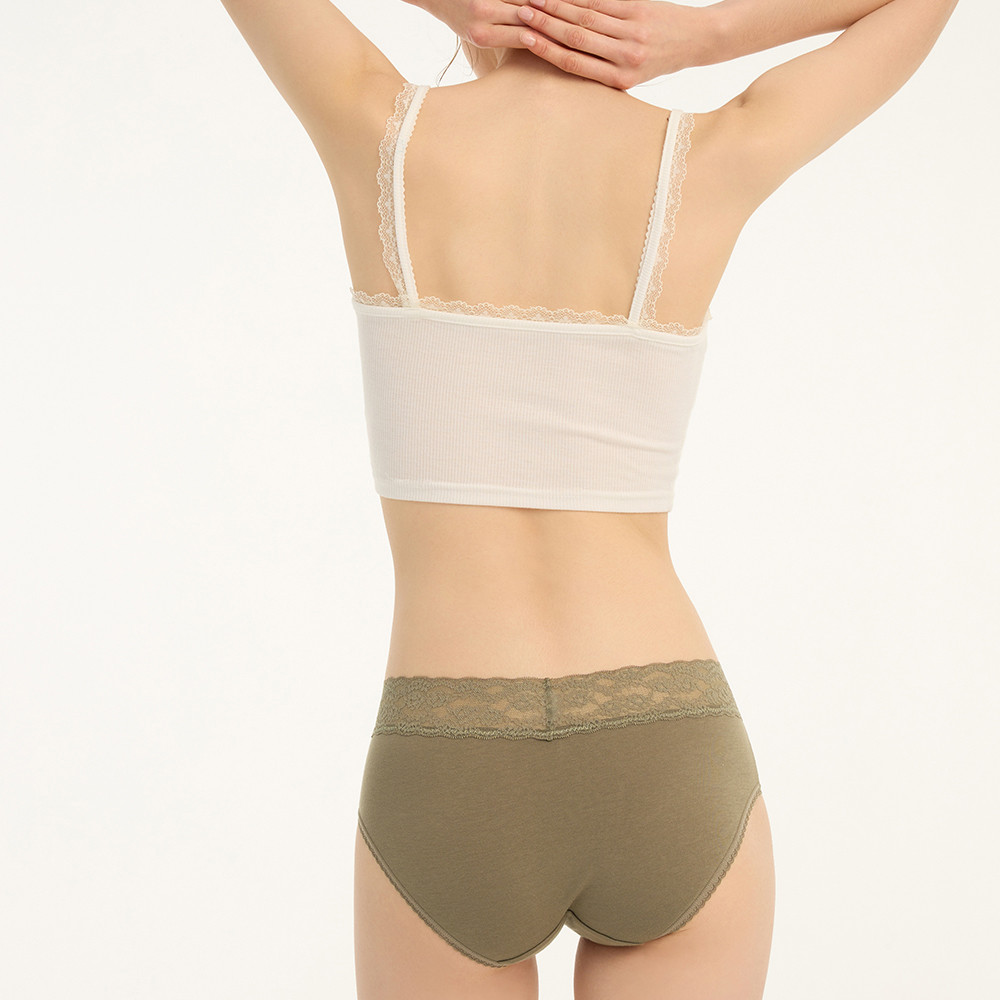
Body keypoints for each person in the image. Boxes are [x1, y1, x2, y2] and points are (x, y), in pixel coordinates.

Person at [218, 1, 960, 996]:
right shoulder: (708, 156)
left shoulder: (377, 132)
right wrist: (703, 38)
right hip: (668, 741)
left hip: (448, 759)